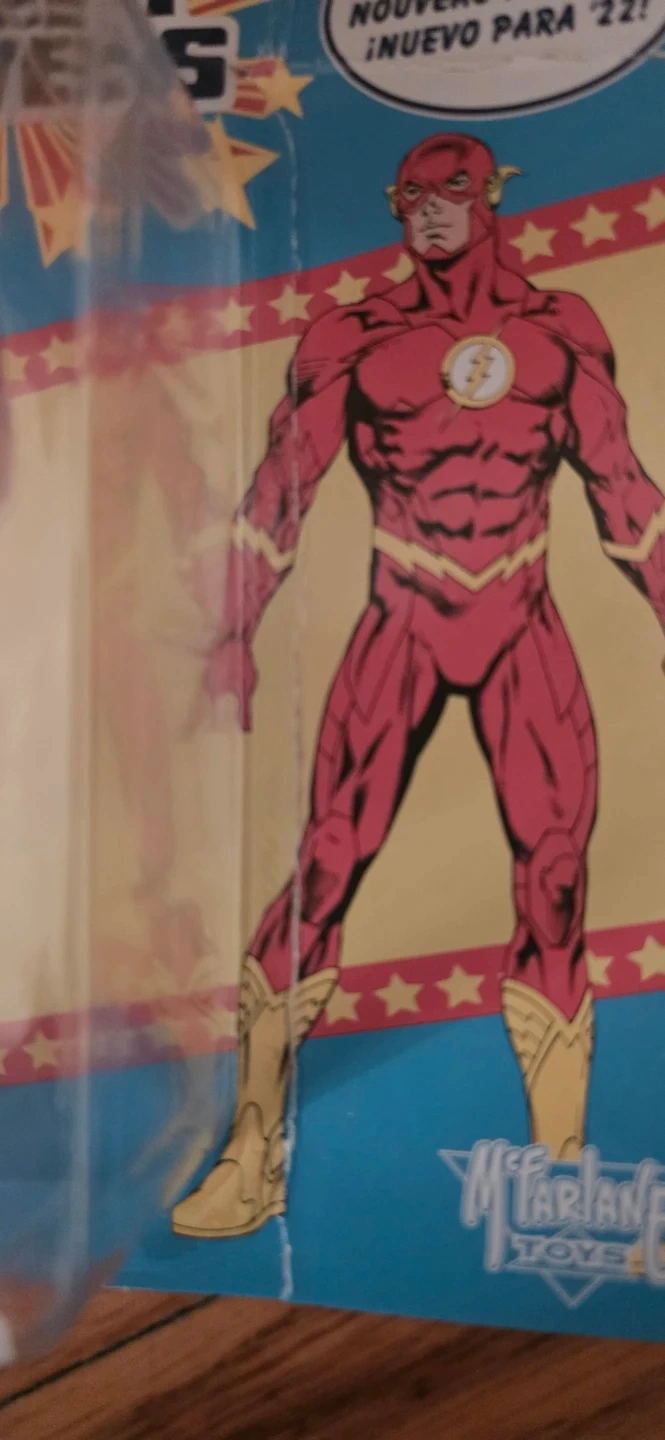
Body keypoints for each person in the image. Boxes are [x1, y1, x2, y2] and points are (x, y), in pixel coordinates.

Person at [172, 133, 665, 1239]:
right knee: (322, 868)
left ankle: (561, 1168)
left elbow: (622, 488)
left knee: (555, 881)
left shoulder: (559, 329)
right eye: (411, 197)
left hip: (521, 621)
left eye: (450, 193)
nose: (428, 213)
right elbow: (280, 489)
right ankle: (252, 1146)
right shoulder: (352, 337)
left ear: (488, 198)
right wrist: (231, 629)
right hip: (402, 619)